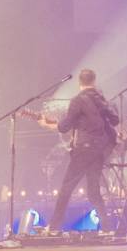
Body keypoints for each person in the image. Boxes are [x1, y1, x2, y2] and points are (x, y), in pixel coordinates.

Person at [45, 68, 119, 234]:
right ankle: (106, 227)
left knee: (66, 188)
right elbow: (115, 120)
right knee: (93, 190)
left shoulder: (77, 100)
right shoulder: (101, 99)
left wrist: (49, 124)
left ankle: (54, 227)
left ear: (80, 82)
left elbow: (64, 127)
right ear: (94, 81)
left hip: (84, 148)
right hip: (100, 149)